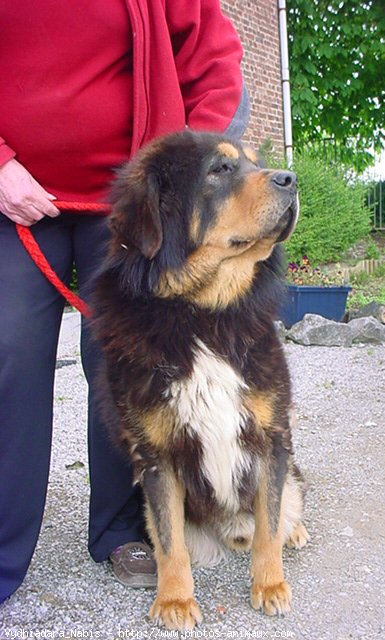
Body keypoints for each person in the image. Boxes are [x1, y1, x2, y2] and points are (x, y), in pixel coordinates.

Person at [0, 0, 249, 603]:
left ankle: (120, 529)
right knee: (8, 351)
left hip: (134, 208)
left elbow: (214, 60)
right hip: (12, 197)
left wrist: (187, 170)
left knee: (127, 367)